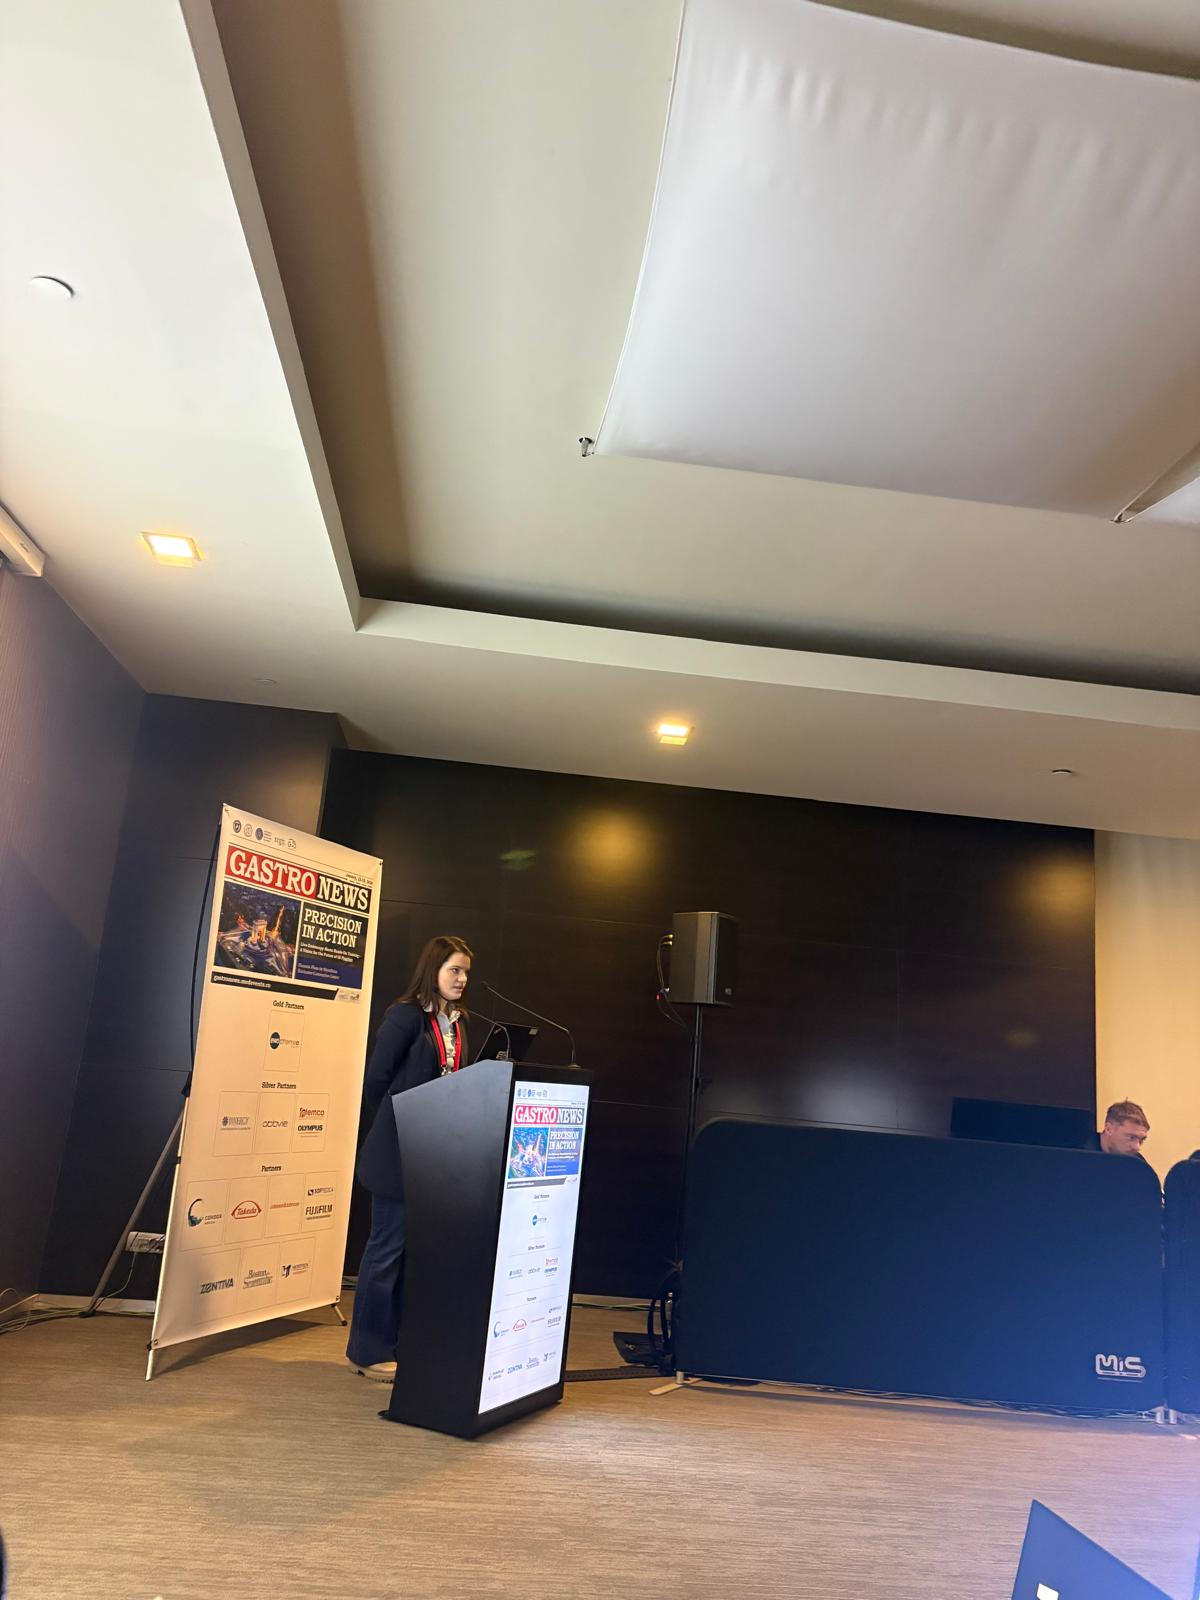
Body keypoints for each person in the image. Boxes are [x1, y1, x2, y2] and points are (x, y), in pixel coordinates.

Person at [346, 935, 473, 1380]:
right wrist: (397, 1126)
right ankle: (366, 1351)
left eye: (466, 972)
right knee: (385, 1251)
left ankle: (399, 1344)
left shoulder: (457, 1021)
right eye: (454, 969)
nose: (462, 979)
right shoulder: (405, 1016)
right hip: (397, 1153)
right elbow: (376, 1081)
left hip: (434, 1155)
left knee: (413, 1256)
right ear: (433, 969)